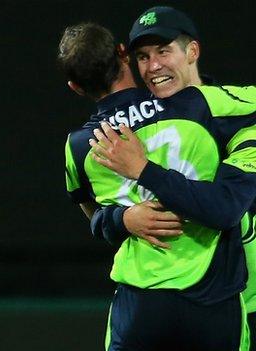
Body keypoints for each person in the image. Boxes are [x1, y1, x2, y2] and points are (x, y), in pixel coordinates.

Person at [59, 21, 256, 350]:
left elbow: (94, 215)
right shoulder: (197, 105)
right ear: (124, 53)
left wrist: (123, 218)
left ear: (75, 87)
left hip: (139, 302)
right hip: (212, 294)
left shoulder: (79, 146)